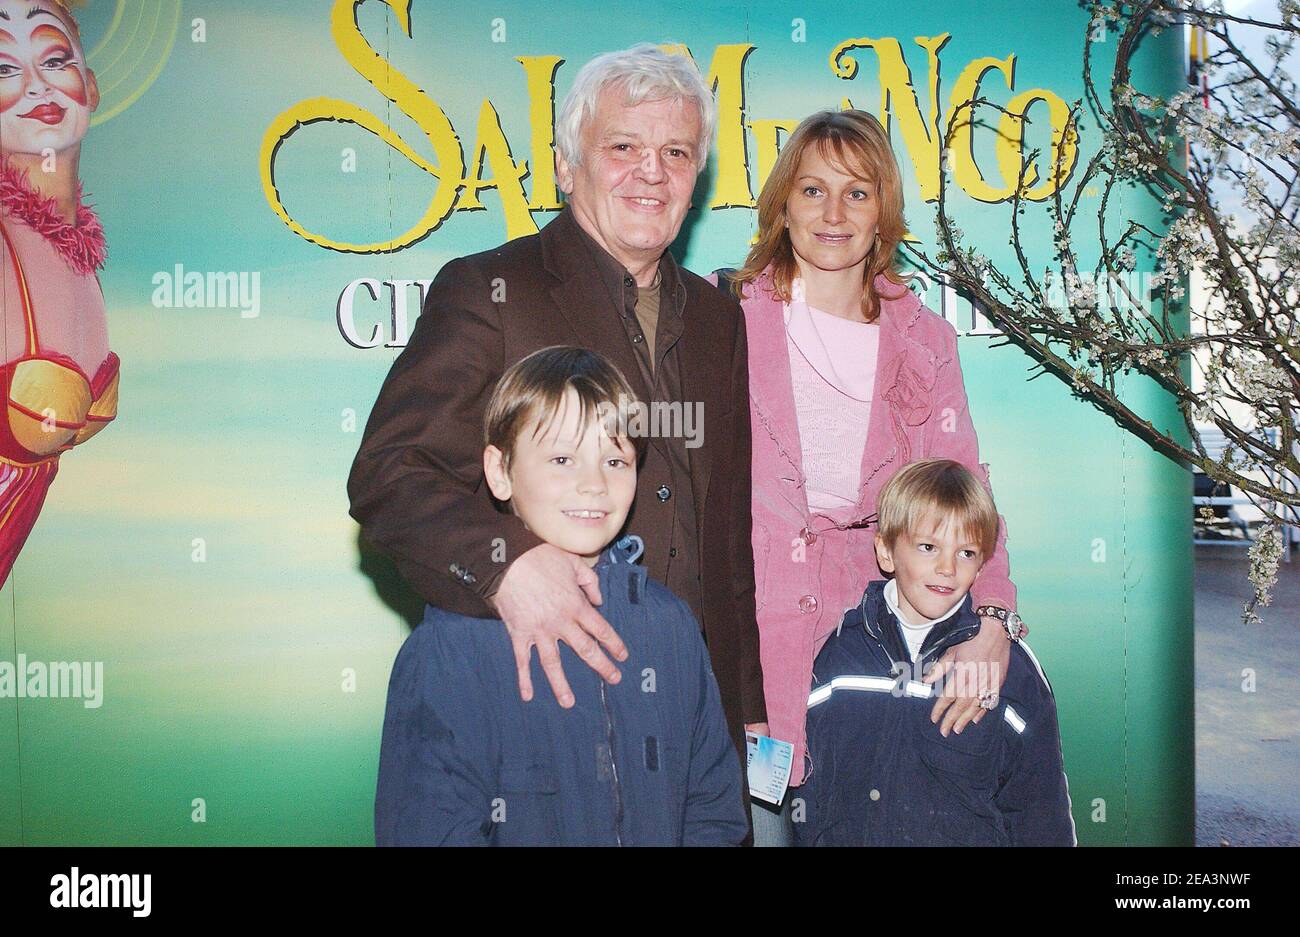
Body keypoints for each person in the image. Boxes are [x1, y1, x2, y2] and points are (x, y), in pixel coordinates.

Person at [348, 44, 766, 812]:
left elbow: (727, 539)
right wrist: (505, 563)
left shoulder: (719, 319)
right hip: (546, 720)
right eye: (623, 147)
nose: (653, 171)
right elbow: (389, 474)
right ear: (567, 166)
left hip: (688, 733)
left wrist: (745, 710)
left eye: (676, 152)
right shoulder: (487, 292)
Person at [711, 109, 1019, 845]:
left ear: (884, 209)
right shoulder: (722, 318)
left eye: (857, 192)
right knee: (755, 831)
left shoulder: (925, 339)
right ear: (782, 204)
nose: (833, 213)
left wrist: (997, 623)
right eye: (813, 190)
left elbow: (963, 492)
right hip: (745, 649)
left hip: (869, 648)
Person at [375, 346, 748, 846]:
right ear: (500, 471)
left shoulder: (670, 624)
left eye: (615, 459)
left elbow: (713, 808)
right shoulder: (452, 647)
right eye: (561, 458)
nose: (593, 484)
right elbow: (429, 829)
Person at [794, 458, 1074, 846]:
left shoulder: (1011, 670)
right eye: (928, 547)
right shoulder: (835, 655)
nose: (947, 568)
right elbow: (806, 796)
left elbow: (1040, 809)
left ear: (981, 567)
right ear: (887, 552)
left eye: (966, 553)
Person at [0, 0, 117, 585]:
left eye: (53, 57)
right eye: (2, 69)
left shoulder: (75, 256)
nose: (35, 84)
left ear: (89, 86)